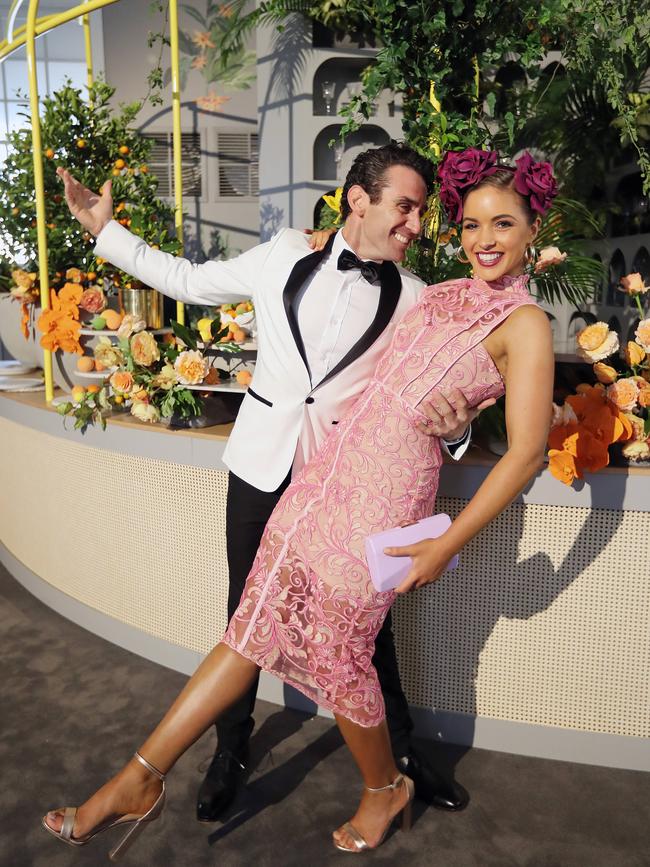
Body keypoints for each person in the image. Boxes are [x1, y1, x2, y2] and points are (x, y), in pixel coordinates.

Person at [44, 147, 554, 855]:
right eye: (469, 224)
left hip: (386, 497)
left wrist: (449, 528)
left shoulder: (479, 310)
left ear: (536, 229)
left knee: (349, 647)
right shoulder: (427, 290)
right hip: (314, 479)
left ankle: (387, 782)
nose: (481, 237)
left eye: (502, 223)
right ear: (357, 201)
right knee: (247, 626)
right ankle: (140, 776)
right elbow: (191, 281)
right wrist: (108, 230)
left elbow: (525, 449)